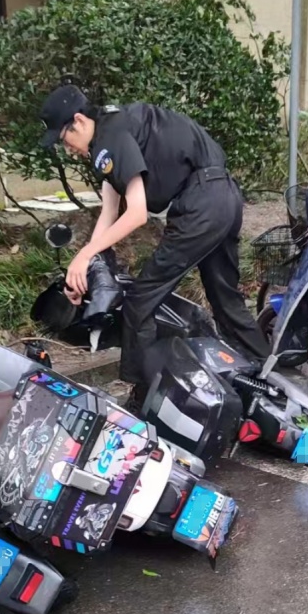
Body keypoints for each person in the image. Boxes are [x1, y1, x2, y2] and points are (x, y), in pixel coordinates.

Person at [39, 84, 270, 391]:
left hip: (200, 205)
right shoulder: (114, 128)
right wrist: (86, 264)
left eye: (63, 139)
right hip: (224, 196)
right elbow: (109, 212)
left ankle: (143, 396)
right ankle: (270, 377)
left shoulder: (111, 138)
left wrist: (83, 256)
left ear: (78, 121)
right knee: (225, 299)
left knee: (140, 301)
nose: (67, 149)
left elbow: (137, 214)